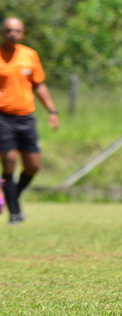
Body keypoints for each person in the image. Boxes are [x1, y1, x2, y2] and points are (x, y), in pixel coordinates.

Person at [0, 17, 59, 225]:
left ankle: (11, 196)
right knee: (9, 162)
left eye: (17, 30)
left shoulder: (29, 55)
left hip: (26, 117)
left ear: (22, 33)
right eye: (8, 30)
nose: (12, 34)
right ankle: (14, 213)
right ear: (2, 32)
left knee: (33, 165)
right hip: (3, 117)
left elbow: (39, 85)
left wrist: (52, 110)